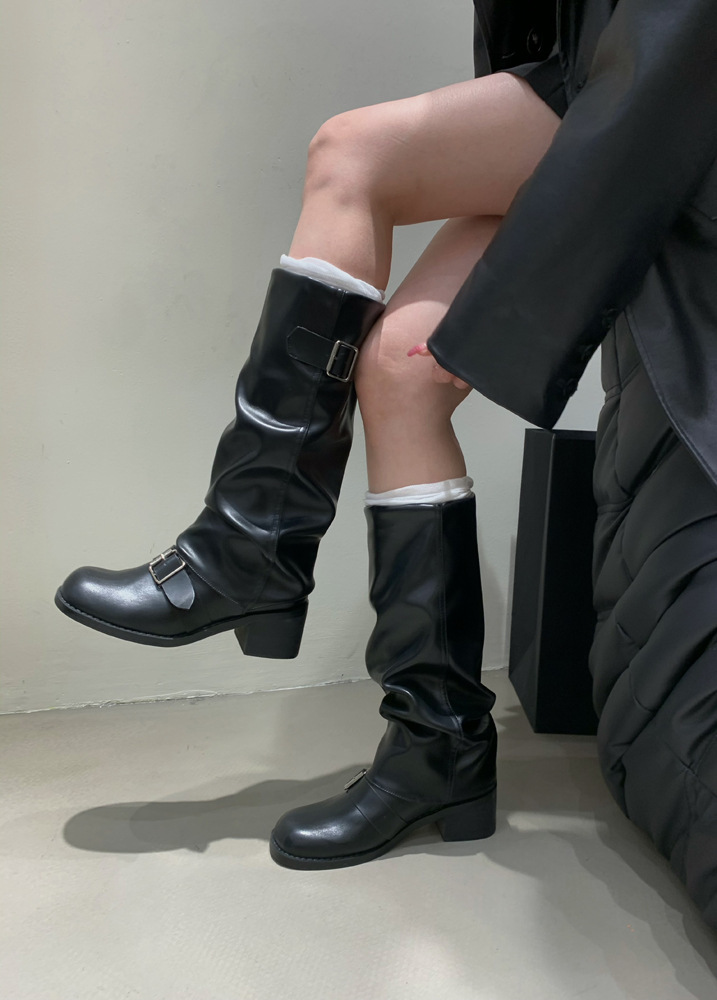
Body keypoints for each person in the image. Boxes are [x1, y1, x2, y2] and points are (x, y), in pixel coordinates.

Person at [54, 0, 717, 872]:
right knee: (402, 372)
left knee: (349, 153)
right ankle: (437, 750)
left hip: (659, 93)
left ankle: (249, 545)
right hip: (598, 82)